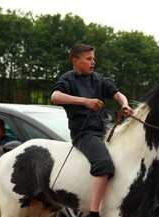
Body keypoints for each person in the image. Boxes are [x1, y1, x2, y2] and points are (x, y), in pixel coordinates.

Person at [50, 44, 133, 217]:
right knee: (103, 164)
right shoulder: (68, 79)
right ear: (76, 61)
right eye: (88, 59)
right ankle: (94, 213)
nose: (93, 62)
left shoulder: (98, 78)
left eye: (93, 58)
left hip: (105, 130)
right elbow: (55, 96)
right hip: (84, 134)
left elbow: (117, 93)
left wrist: (124, 104)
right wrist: (85, 101)